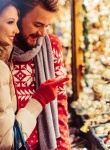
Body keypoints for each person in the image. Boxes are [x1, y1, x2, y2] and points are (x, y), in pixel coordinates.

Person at [0, 0, 69, 149]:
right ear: (19, 16)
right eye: (37, 25)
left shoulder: (52, 46)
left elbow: (60, 104)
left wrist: (63, 147)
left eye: (47, 26)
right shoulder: (4, 51)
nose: (42, 33)